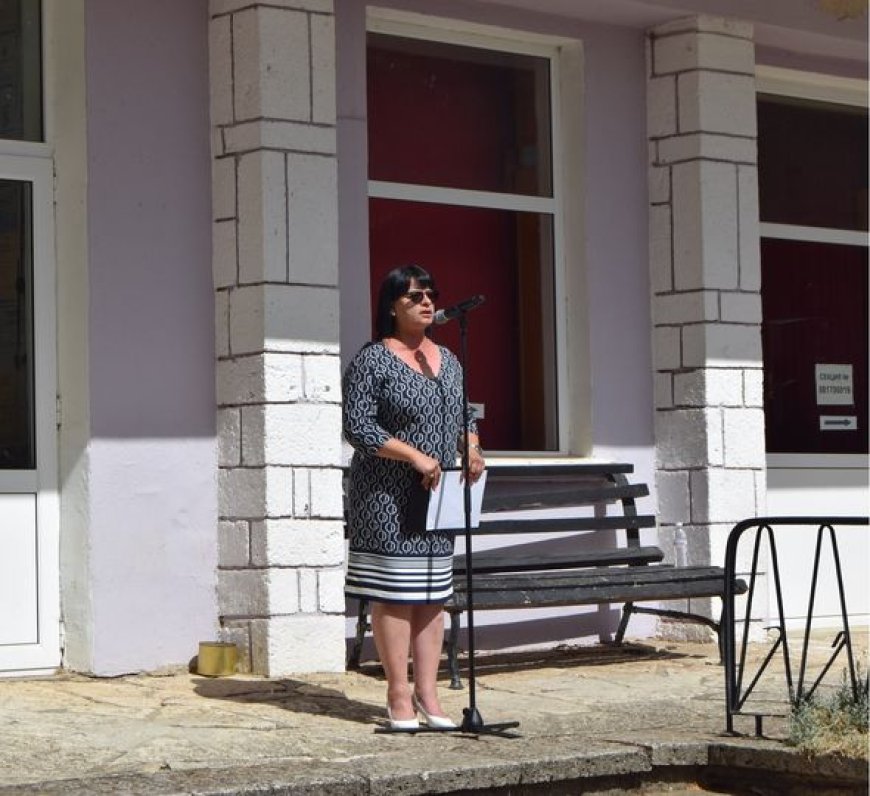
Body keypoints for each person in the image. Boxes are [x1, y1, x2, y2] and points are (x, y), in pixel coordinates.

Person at [342, 265, 485, 730]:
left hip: (437, 496)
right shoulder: (372, 360)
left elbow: (464, 415)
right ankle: (398, 694)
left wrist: (472, 448)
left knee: (431, 595)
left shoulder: (449, 360)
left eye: (430, 294)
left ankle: (429, 694)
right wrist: (415, 456)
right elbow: (359, 428)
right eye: (414, 296)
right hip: (386, 496)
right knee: (396, 595)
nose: (427, 302)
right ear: (391, 306)